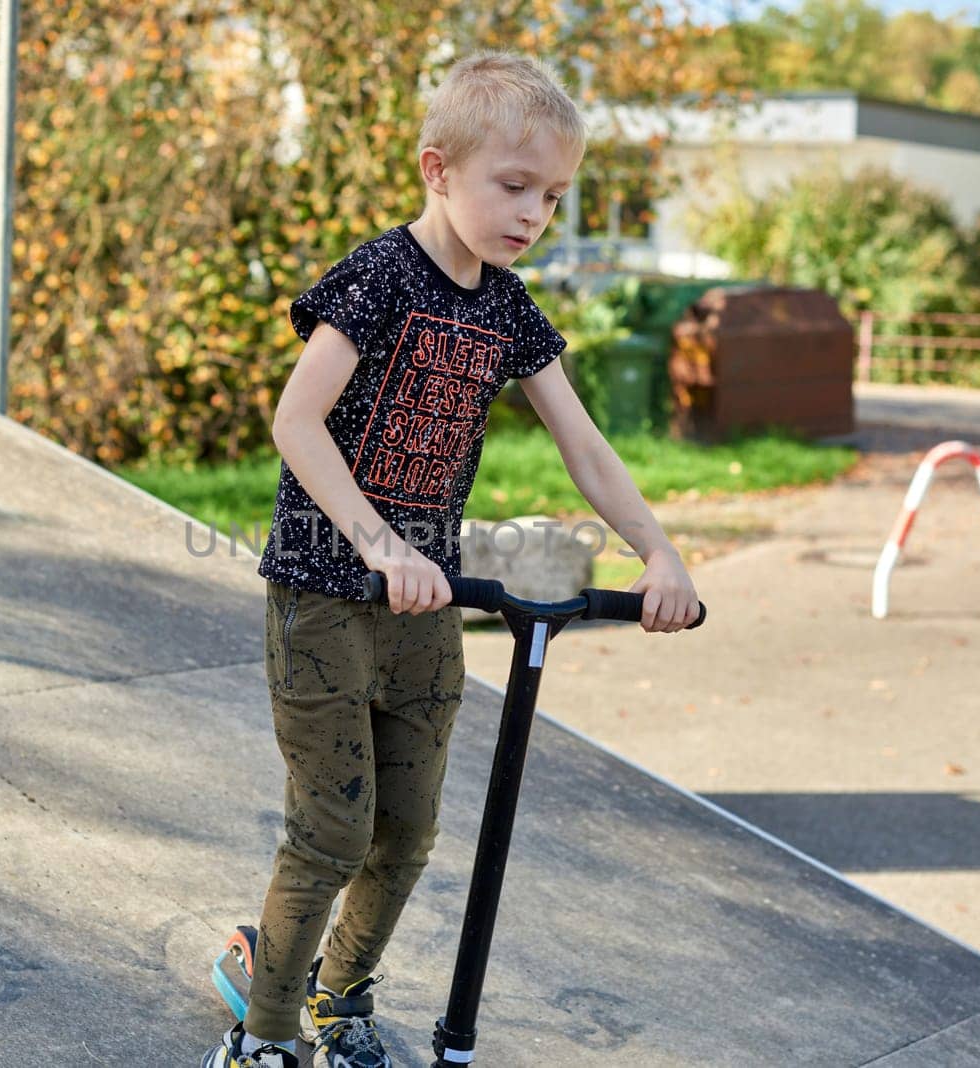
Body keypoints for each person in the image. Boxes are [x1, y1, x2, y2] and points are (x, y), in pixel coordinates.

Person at [203, 50, 701, 1068]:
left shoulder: (507, 306)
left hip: (425, 604)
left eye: (552, 197)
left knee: (407, 831)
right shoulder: (380, 276)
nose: (532, 214)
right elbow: (296, 423)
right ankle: (261, 1034)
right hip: (324, 590)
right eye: (513, 186)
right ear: (439, 169)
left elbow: (582, 443)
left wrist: (657, 552)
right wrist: (381, 545)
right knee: (331, 833)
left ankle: (338, 994)